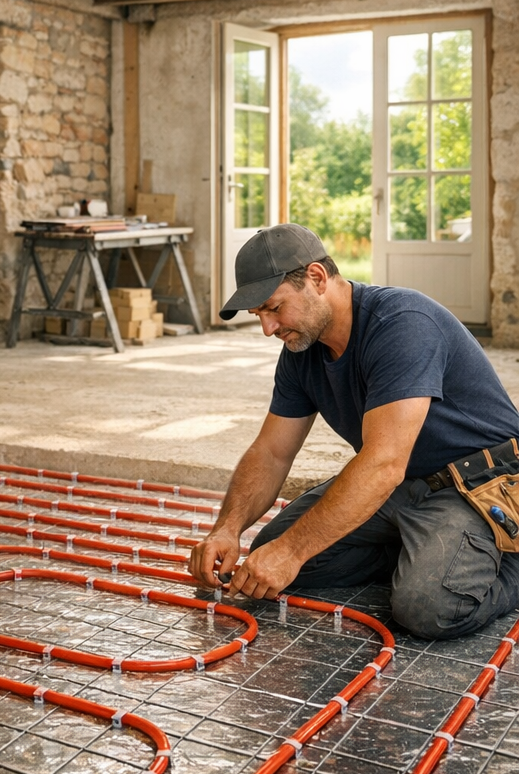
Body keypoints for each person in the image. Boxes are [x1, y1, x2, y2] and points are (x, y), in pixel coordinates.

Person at [188, 223, 519, 639]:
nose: (268, 329)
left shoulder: (402, 324)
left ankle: (489, 556)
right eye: (260, 316)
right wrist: (228, 528)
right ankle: (429, 554)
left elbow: (383, 464)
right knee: (271, 559)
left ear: (317, 278)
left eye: (274, 308)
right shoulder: (301, 348)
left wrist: (291, 551)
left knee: (429, 608)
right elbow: (272, 452)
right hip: (403, 486)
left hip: (476, 486)